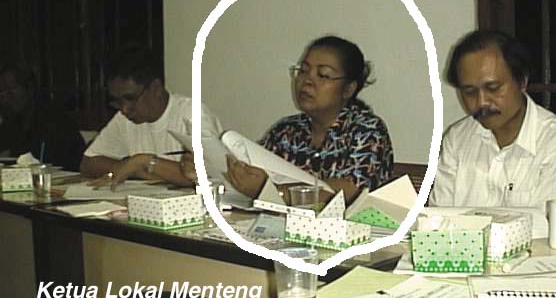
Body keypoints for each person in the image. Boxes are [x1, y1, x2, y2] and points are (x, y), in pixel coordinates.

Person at [188, 36, 394, 202]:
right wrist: (211, 170)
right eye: (303, 71)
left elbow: (348, 192)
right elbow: (251, 172)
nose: (307, 80)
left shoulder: (368, 130)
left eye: (323, 75)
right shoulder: (286, 130)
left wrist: (269, 191)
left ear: (348, 88)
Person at [429, 30, 556, 211]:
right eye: (469, 92)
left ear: (522, 81)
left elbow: (543, 224)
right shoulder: (457, 139)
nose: (482, 102)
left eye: (493, 88)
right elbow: (438, 217)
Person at [80, 45, 222, 188]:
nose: (124, 109)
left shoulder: (192, 114)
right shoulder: (124, 119)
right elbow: (88, 163)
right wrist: (135, 169)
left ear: (156, 89)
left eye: (131, 98)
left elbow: (210, 175)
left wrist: (145, 162)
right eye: (117, 101)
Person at [0, 64, 85, 171]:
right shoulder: (11, 121)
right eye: (1, 93)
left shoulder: (55, 121)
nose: (5, 99)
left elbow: (56, 161)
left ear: (30, 89)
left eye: (10, 92)